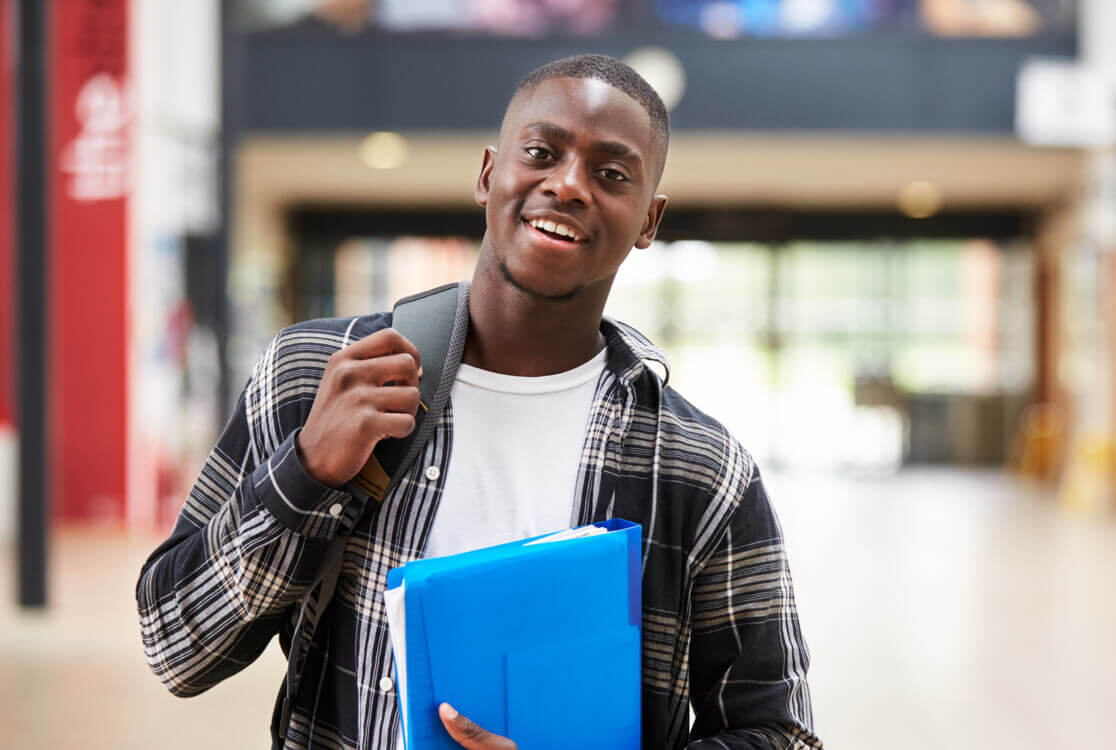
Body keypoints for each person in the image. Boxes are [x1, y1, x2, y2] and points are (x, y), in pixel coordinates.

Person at [137, 54, 820, 750]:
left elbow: (779, 733)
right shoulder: (316, 374)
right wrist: (307, 470)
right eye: (542, 153)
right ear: (489, 174)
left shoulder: (701, 469)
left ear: (649, 220)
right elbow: (174, 646)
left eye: (612, 173)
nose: (568, 185)